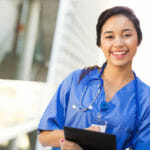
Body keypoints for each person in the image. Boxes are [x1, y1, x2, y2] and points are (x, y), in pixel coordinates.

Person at [38, 6, 150, 150]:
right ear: (100, 43)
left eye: (127, 35)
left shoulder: (146, 100)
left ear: (139, 40)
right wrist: (78, 138)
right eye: (109, 37)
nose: (118, 44)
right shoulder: (76, 80)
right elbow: (44, 136)